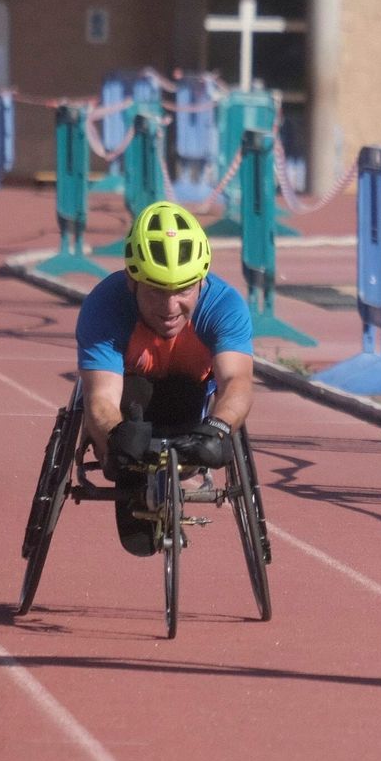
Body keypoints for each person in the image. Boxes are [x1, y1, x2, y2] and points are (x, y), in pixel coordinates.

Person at [76, 200, 255, 555]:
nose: (171, 307)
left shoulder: (224, 305)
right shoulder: (105, 306)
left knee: (205, 411)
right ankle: (135, 482)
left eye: (184, 290)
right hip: (131, 398)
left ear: (202, 281)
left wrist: (219, 428)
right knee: (122, 434)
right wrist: (114, 433)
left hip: (190, 394)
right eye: (157, 290)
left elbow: (237, 382)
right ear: (132, 281)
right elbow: (100, 398)